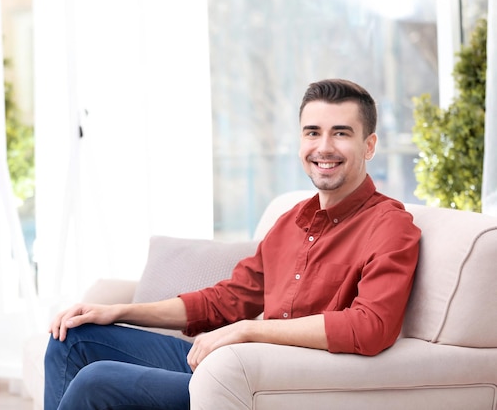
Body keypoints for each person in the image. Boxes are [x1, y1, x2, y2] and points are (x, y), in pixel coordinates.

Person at [44, 78, 421, 410]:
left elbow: (371, 327)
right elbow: (226, 301)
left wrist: (248, 330)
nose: (324, 146)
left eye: (341, 133)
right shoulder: (291, 221)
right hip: (234, 364)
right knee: (73, 339)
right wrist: (118, 311)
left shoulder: (390, 225)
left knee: (99, 382)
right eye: (312, 132)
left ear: (369, 146)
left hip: (275, 385)